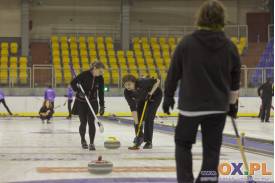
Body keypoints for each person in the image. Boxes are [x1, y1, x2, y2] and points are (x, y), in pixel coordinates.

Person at [162, 1, 241, 182]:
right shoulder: (230, 46)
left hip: (191, 106)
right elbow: (235, 82)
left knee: (183, 144)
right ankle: (207, 180)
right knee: (212, 149)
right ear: (223, 19)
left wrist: (168, 96)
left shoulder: (187, 43)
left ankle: (186, 180)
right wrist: (232, 104)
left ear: (200, 17)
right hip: (217, 107)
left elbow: (174, 73)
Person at [70, 61, 105, 151]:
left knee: (91, 122)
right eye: (100, 71)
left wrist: (102, 105)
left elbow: (101, 92)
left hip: (92, 102)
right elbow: (73, 83)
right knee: (83, 122)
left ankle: (92, 143)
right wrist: (79, 91)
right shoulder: (84, 74)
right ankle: (83, 140)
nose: (101, 73)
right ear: (94, 69)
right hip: (81, 102)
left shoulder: (100, 78)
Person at [123, 74, 162, 149]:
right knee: (137, 119)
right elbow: (133, 108)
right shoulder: (127, 93)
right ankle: (139, 137)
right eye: (125, 85)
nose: (127, 87)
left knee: (149, 118)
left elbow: (157, 81)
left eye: (129, 84)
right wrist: (137, 124)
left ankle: (148, 142)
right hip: (143, 99)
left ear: (134, 83)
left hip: (155, 97)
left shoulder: (142, 82)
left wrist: (150, 93)